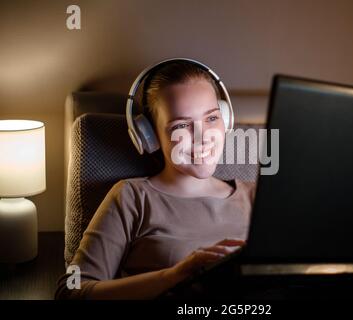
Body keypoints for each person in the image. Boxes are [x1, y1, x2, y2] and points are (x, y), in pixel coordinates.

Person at [55, 60, 256, 299]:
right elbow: (71, 291)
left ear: (226, 120)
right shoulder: (131, 197)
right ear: (149, 136)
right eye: (181, 125)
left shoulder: (258, 196)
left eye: (211, 118)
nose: (203, 138)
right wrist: (173, 276)